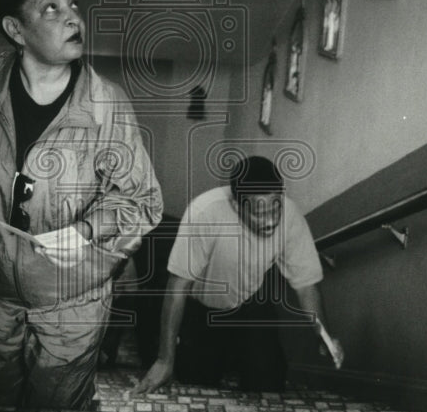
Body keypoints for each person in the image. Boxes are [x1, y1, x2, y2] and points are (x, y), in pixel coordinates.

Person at [0, 0, 163, 410]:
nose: (74, 18)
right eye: (52, 9)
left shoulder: (108, 106)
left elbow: (142, 202)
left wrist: (87, 230)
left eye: (73, 4)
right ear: (16, 29)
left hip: (72, 303)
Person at [132, 155, 343, 395]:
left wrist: (322, 334)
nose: (271, 221)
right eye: (258, 213)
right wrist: (164, 359)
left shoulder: (291, 217)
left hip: (247, 304)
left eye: (275, 207)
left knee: (268, 381)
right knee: (197, 379)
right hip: (200, 309)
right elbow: (177, 287)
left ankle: (238, 356)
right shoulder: (205, 213)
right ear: (236, 205)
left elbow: (306, 286)